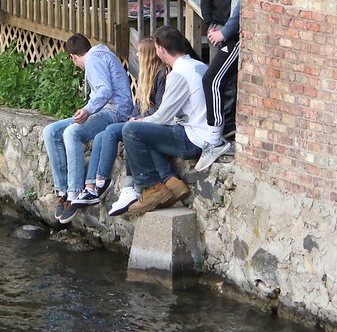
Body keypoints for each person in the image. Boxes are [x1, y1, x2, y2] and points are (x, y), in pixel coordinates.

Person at [121, 25, 222, 216]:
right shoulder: (198, 65)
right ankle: (171, 182)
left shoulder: (179, 73)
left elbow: (163, 117)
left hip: (193, 139)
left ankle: (151, 188)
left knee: (131, 131)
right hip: (205, 133)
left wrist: (139, 122)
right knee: (144, 133)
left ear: (160, 49)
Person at [44, 33, 136, 224]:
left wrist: (87, 109)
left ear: (73, 57)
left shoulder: (94, 58)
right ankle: (61, 190)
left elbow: (105, 91)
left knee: (72, 132)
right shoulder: (98, 55)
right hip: (104, 110)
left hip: (115, 112)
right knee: (51, 131)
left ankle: (74, 192)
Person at [70, 36, 168, 212]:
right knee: (101, 135)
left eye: (139, 52)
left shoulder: (162, 75)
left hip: (152, 125)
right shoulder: (146, 77)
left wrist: (137, 120)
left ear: (148, 55)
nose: (136, 55)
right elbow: (138, 106)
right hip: (139, 121)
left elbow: (160, 108)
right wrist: (133, 117)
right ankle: (90, 186)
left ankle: (104, 182)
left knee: (110, 132)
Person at [196, 0, 240, 171]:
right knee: (212, 79)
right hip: (231, 34)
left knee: (212, 80)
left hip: (237, 38)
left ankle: (215, 139)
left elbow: (241, 11)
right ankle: (217, 135)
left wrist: (225, 33)